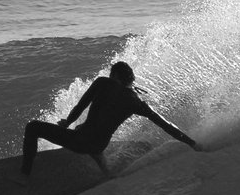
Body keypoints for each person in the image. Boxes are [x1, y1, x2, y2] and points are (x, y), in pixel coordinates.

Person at [22, 61, 199, 175]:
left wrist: (67, 122)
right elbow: (166, 125)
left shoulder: (102, 83)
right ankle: (106, 171)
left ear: (114, 76)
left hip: (80, 142)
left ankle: (24, 175)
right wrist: (192, 143)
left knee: (33, 127)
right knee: (90, 131)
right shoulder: (136, 102)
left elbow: (80, 106)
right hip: (98, 145)